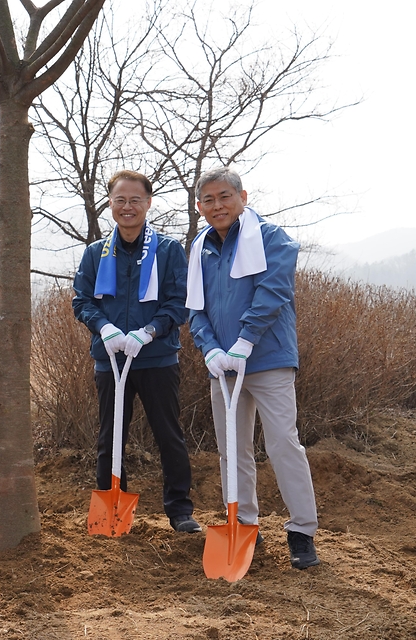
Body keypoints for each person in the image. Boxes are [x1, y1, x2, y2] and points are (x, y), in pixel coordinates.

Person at [186, 165, 320, 570]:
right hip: (223, 367)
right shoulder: (201, 248)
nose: (217, 205)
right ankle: (244, 522)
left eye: (224, 196)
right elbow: (196, 308)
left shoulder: (271, 238)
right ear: (199, 207)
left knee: (283, 442)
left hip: (267, 359)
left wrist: (245, 341)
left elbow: (273, 291)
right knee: (232, 450)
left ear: (243, 197)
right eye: (208, 199)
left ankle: (302, 530)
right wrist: (210, 349)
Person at [73, 169, 201, 534]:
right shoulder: (96, 254)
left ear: (148, 203)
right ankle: (111, 508)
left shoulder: (168, 250)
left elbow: (180, 303)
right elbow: (82, 301)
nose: (127, 207)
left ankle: (179, 510)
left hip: (157, 358)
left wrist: (149, 331)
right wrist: (105, 328)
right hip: (110, 359)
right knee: (109, 437)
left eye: (135, 200)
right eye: (119, 200)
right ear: (110, 204)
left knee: (168, 435)